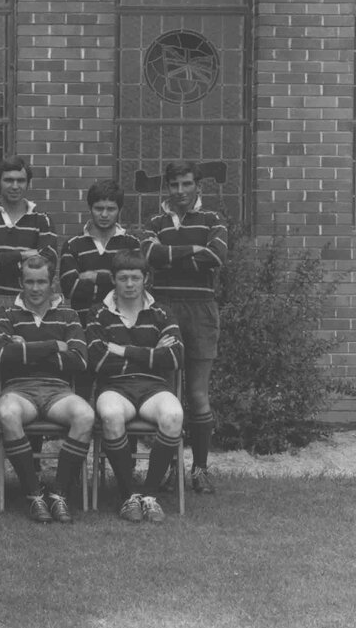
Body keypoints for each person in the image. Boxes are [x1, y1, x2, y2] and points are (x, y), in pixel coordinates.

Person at [143, 161, 227, 495]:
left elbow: (216, 256)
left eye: (187, 184)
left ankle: (200, 469)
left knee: (197, 392)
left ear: (198, 186)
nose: (180, 191)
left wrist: (169, 256)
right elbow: (150, 256)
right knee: (166, 394)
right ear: (168, 187)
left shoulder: (213, 219)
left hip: (201, 309)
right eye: (174, 185)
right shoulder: (155, 222)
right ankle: (168, 468)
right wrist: (193, 250)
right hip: (163, 309)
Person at [0, 155, 58, 448]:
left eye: (20, 180)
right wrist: (21, 255)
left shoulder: (41, 220)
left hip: (29, 302)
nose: (14, 186)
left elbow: (48, 261)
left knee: (28, 364)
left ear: (28, 183)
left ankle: (32, 449)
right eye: (8, 180)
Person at [86, 250, 184, 523]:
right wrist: (152, 353)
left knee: (174, 415)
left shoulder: (162, 312)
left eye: (135, 278)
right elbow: (98, 361)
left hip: (154, 387)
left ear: (146, 279)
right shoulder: (98, 313)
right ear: (113, 280)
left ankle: (150, 496)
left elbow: (175, 357)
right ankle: (129, 496)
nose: (129, 284)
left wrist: (124, 350)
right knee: (110, 415)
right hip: (115, 387)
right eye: (123, 278)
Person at [0, 255, 93, 524]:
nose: (35, 288)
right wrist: (53, 346)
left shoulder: (69, 315)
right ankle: (34, 494)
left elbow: (80, 360)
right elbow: (2, 355)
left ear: (52, 283)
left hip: (58, 390)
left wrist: (24, 350)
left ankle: (59, 493)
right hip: (19, 389)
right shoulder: (7, 313)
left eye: (41, 282)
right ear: (20, 283)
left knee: (85, 415)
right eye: (29, 282)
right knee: (7, 413)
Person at [59, 180, 140, 400]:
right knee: (82, 390)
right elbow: (70, 288)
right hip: (83, 326)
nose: (104, 214)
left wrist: (95, 276)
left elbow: (137, 287)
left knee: (117, 391)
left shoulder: (131, 244)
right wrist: (116, 281)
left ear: (119, 210)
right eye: (99, 208)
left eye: (110, 209)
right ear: (90, 208)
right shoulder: (73, 245)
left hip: (122, 328)